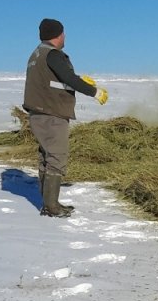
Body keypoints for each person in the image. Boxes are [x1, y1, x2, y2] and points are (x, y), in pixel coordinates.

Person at [23, 18, 108, 217]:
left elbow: (53, 82)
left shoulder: (36, 54)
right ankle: (51, 207)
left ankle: (48, 203)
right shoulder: (53, 54)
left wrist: (76, 82)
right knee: (57, 156)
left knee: (46, 156)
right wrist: (94, 92)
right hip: (51, 114)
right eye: (64, 33)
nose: (65, 37)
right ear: (58, 34)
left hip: (39, 113)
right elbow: (67, 78)